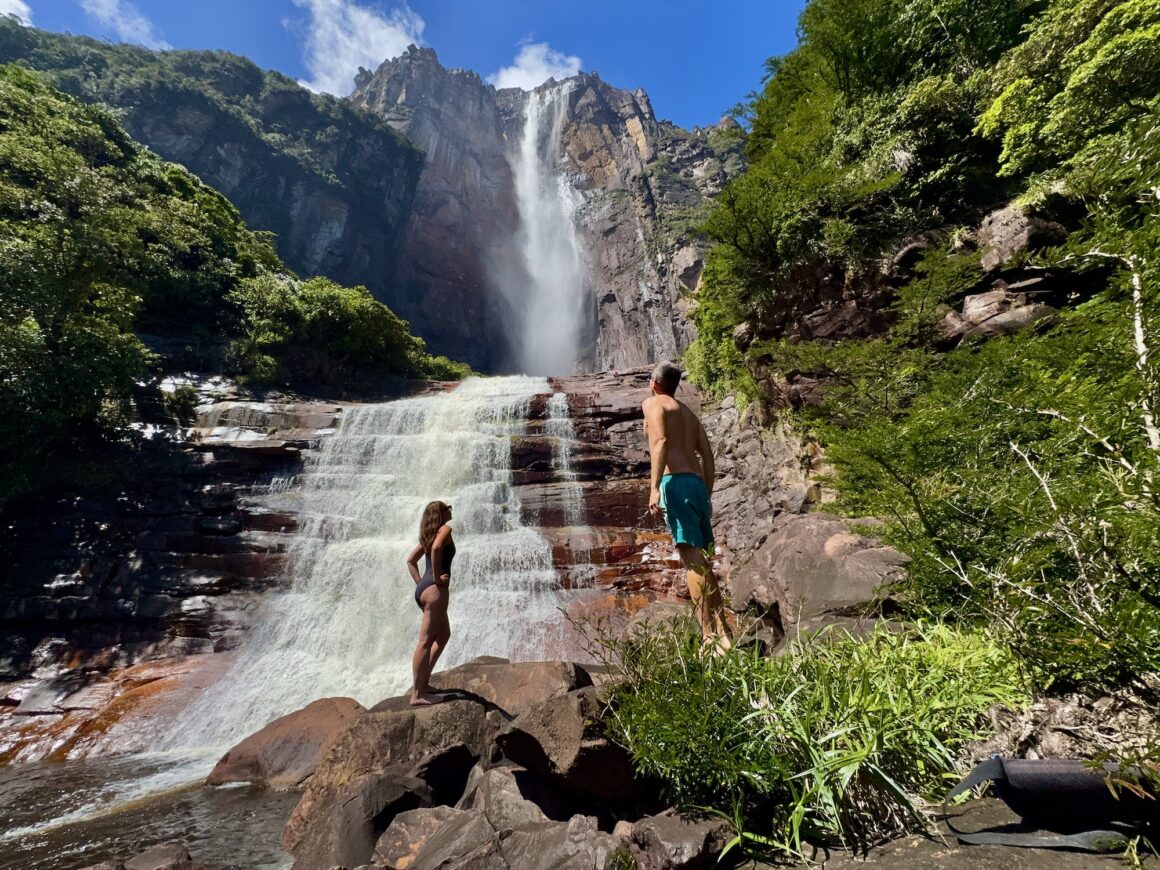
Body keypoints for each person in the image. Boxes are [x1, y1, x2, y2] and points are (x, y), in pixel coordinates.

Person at [643, 361, 733, 651]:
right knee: (702, 561)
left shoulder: (654, 404)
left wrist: (655, 488)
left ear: (654, 382)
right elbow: (707, 454)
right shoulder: (690, 414)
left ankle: (709, 637)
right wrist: (706, 491)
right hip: (696, 484)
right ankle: (723, 632)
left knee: (691, 560)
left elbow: (660, 442)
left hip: (676, 482)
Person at [406, 500, 455, 706]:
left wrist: (421, 584)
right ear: (442, 514)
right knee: (425, 642)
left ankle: (424, 683)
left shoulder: (429, 535)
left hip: (423, 590)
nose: (451, 511)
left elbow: (410, 560)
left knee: (443, 635)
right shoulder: (445, 529)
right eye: (448, 509)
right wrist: (435, 579)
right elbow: (436, 549)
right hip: (435, 591)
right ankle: (417, 694)